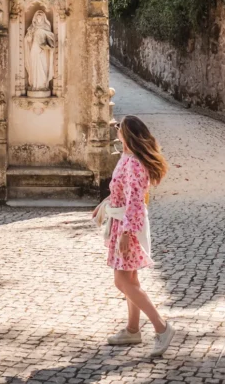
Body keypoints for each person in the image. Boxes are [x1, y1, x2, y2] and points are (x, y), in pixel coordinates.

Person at [93, 115, 173, 356]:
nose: (116, 129)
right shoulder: (126, 158)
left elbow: (136, 202)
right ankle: (132, 330)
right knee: (132, 280)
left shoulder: (135, 164)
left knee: (122, 281)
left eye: (119, 127)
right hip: (121, 222)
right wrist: (104, 204)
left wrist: (127, 233)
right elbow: (121, 193)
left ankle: (162, 328)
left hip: (129, 226)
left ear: (127, 134)